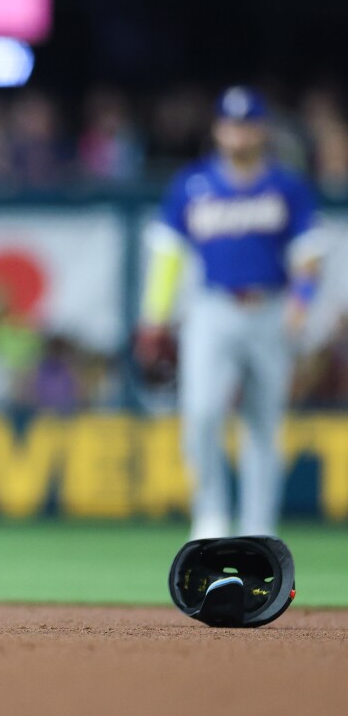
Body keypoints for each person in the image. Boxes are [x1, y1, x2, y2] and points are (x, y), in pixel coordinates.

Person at [135, 86, 325, 540]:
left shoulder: (286, 186)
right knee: (201, 413)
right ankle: (211, 517)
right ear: (219, 130)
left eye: (247, 125)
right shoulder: (193, 184)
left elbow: (309, 255)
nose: (239, 134)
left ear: (262, 130)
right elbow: (168, 254)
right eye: (231, 125)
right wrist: (154, 317)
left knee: (263, 423)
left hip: (270, 308)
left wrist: (301, 301)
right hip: (212, 307)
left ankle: (258, 526)